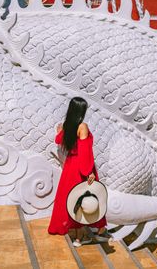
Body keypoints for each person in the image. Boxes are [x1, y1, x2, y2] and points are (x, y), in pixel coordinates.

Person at [48, 97, 110, 245]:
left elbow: (58, 139)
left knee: (73, 199)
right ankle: (80, 237)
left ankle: (77, 234)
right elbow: (85, 151)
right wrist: (89, 171)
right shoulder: (83, 127)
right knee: (85, 198)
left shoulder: (66, 125)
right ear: (82, 111)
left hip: (70, 166)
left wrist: (60, 130)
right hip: (81, 167)